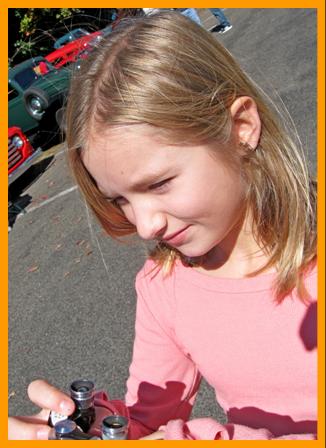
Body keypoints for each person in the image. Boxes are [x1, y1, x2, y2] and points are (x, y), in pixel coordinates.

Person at [8, 11, 317, 440]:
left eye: (160, 183)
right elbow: (147, 420)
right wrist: (96, 427)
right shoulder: (164, 285)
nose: (146, 225)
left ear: (240, 128)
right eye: (120, 199)